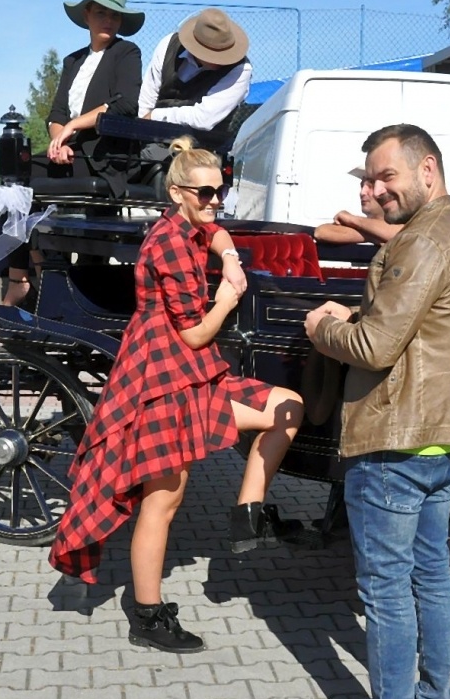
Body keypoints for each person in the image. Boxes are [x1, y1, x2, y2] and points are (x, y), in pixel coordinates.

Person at [303, 123, 450, 699]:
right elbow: (428, 330)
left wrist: (322, 328)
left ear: (427, 171)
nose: (375, 190)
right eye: (367, 179)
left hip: (397, 438)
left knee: (386, 588)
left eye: (385, 176)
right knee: (431, 573)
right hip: (447, 436)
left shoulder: (422, 243)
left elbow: (375, 347)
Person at [49, 141, 304, 653]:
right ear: (177, 192)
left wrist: (229, 254)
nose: (216, 200)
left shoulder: (191, 225)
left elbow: (215, 230)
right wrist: (227, 298)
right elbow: (194, 335)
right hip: (161, 375)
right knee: (163, 500)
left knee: (287, 405)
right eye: (206, 192)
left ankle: (248, 512)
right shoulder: (167, 242)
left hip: (193, 375)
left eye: (221, 189)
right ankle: (147, 615)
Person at [3, 0, 145, 306]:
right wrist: (58, 142)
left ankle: (73, 287)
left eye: (115, 16)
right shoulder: (73, 61)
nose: (108, 20)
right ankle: (26, 276)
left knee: (91, 223)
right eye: (101, 13)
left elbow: (125, 105)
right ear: (88, 15)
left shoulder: (126, 53)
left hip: (105, 156)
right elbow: (55, 112)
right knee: (15, 180)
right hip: (70, 152)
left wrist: (71, 127)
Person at [138, 8, 254, 136]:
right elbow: (147, 97)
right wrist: (140, 130)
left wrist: (155, 115)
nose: (218, 59)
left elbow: (204, 119)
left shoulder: (240, 70)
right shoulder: (168, 46)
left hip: (205, 146)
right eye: (211, 53)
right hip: (155, 137)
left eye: (221, 53)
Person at [313, 165, 403, 246]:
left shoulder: (406, 222)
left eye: (370, 185)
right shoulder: (360, 226)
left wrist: (353, 220)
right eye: (362, 186)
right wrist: (376, 236)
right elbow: (321, 232)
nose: (362, 192)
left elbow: (403, 234)